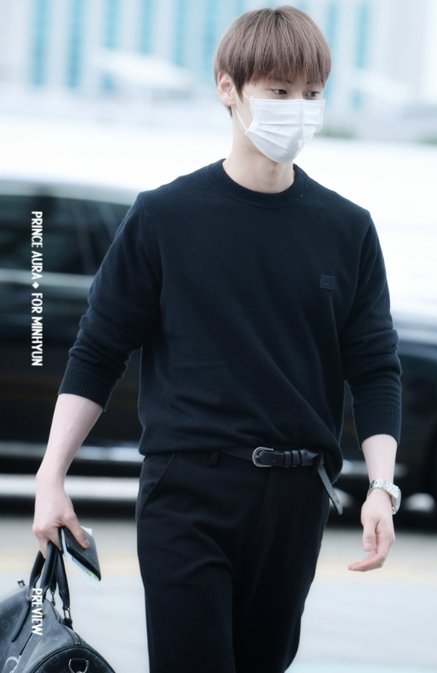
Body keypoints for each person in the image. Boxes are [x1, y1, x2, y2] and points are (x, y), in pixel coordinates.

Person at [33, 6, 402, 673]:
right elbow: (98, 351)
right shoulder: (164, 217)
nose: (298, 109)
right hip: (188, 489)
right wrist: (51, 475)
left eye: (311, 93)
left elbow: (375, 367)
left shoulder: (348, 228)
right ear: (227, 87)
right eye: (279, 91)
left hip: (297, 496)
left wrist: (382, 486)